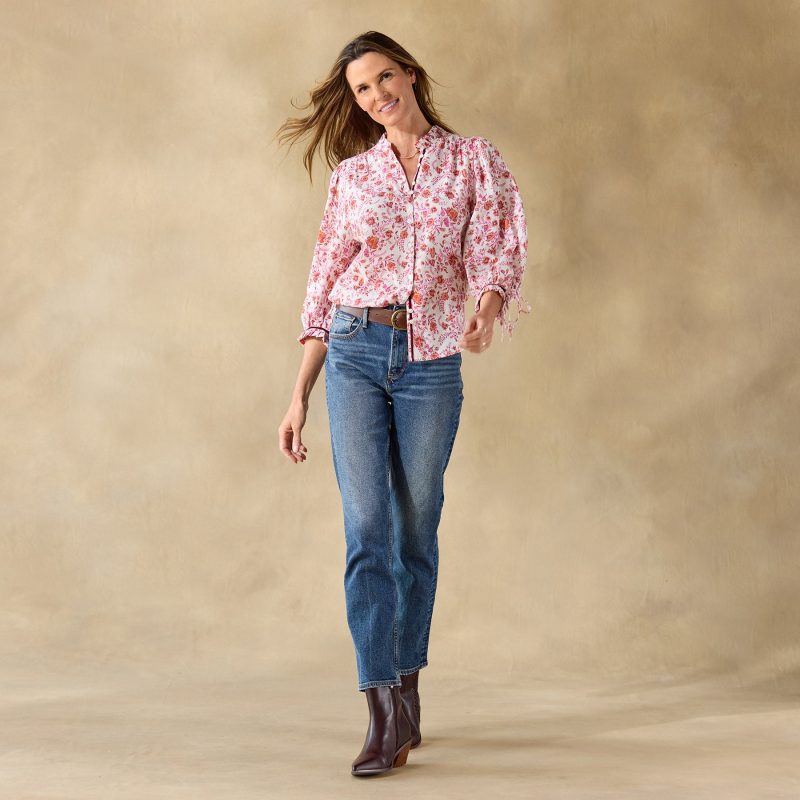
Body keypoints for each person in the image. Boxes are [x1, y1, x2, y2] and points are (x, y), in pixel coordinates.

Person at [276, 31, 530, 777]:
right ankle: (382, 710)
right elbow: (323, 283)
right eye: (362, 88)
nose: (376, 95)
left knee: (416, 530)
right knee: (367, 528)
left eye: (384, 77)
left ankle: (408, 684)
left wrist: (485, 311)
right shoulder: (352, 177)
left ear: (410, 75)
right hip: (354, 350)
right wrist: (298, 395)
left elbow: (499, 246)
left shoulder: (473, 159)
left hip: (431, 363)